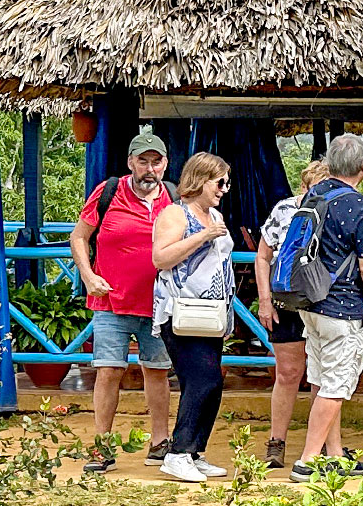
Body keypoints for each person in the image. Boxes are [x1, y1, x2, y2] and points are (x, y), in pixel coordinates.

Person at [68, 129, 174, 473]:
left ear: (165, 164)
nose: (149, 168)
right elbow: (79, 236)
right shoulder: (108, 192)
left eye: (155, 161)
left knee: (157, 372)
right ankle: (102, 447)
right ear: (130, 163)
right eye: (142, 161)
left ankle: (161, 442)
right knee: (108, 372)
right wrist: (87, 275)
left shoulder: (172, 198)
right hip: (111, 301)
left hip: (158, 304)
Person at [291, 134, 363, 482]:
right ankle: (307, 460)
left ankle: (333, 454)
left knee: (322, 381)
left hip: (311, 303)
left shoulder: (312, 197)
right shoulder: (360, 206)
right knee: (335, 386)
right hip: (343, 310)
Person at [150, 151, 236, 482]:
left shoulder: (213, 213)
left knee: (209, 383)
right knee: (205, 379)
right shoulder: (176, 213)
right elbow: (161, 257)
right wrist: (203, 235)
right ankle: (177, 452)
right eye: (220, 182)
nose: (224, 188)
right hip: (181, 312)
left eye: (227, 182)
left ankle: (194, 452)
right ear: (200, 180)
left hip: (211, 315)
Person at [251, 160, 331, 471]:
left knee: (321, 376)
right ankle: (276, 442)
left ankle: (320, 443)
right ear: (304, 186)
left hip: (321, 304)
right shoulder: (284, 211)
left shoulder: (333, 209)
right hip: (286, 304)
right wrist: (265, 299)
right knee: (287, 373)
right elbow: (262, 255)